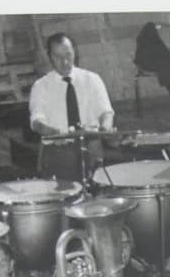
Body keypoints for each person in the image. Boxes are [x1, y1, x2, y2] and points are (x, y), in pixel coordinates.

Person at [29, 32, 114, 179]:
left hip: (92, 148)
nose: (65, 62)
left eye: (68, 55)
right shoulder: (41, 86)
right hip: (58, 152)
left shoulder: (92, 79)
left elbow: (106, 112)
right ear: (50, 57)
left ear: (75, 52)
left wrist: (105, 128)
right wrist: (54, 132)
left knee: (97, 197)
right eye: (58, 57)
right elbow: (37, 122)